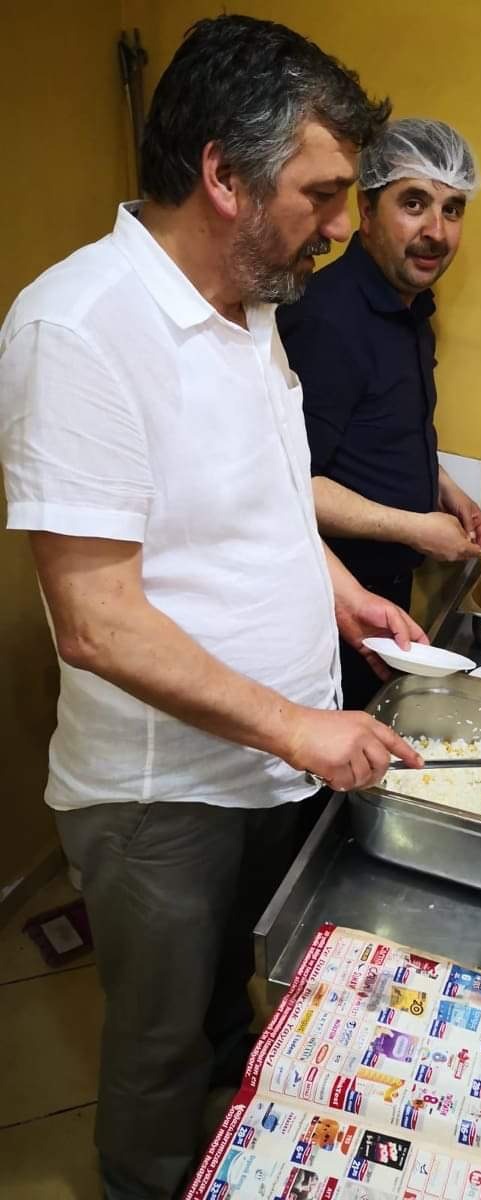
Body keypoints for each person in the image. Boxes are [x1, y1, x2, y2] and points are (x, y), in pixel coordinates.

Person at [0, 16, 426, 1199]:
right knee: (153, 1044)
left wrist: (337, 593)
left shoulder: (252, 298)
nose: (345, 227)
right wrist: (299, 726)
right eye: (326, 194)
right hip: (163, 794)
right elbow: (95, 620)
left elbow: (268, 495)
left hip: (269, 762)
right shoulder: (77, 326)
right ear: (224, 178)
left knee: (228, 1007)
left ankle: (229, 1163)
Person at [278, 118, 481, 709]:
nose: (436, 232)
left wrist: (443, 488)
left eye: (453, 210)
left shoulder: (409, 307)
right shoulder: (327, 320)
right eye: (414, 204)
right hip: (327, 605)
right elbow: (291, 484)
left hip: (382, 597)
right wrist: (415, 527)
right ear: (366, 212)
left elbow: (382, 425)